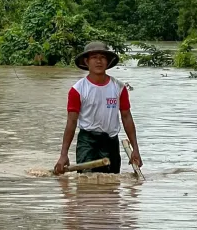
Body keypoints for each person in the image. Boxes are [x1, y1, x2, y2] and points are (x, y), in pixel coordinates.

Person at [54, 41, 142, 175]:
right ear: (86, 61)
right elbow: (71, 122)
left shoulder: (119, 88)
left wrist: (135, 149)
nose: (99, 61)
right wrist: (63, 154)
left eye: (102, 57)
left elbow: (126, 117)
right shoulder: (77, 90)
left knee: (111, 186)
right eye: (94, 57)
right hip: (87, 142)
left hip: (111, 141)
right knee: (86, 184)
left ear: (108, 61)